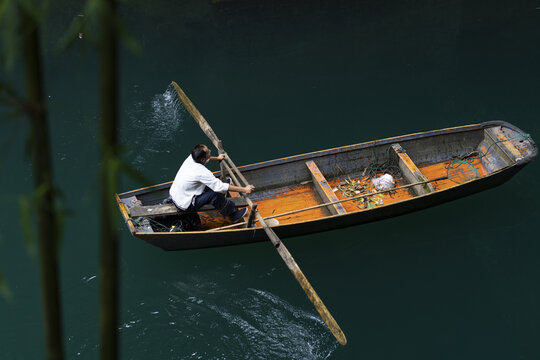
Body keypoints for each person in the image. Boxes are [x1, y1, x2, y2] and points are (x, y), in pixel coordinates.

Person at [169, 144, 255, 224]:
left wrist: (218, 158)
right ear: (203, 159)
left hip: (176, 194)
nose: (210, 150)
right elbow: (219, 187)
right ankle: (233, 215)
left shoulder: (192, 158)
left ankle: (225, 190)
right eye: (208, 151)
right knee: (215, 194)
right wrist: (245, 189)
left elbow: (207, 158)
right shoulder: (202, 172)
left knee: (213, 181)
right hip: (185, 203)